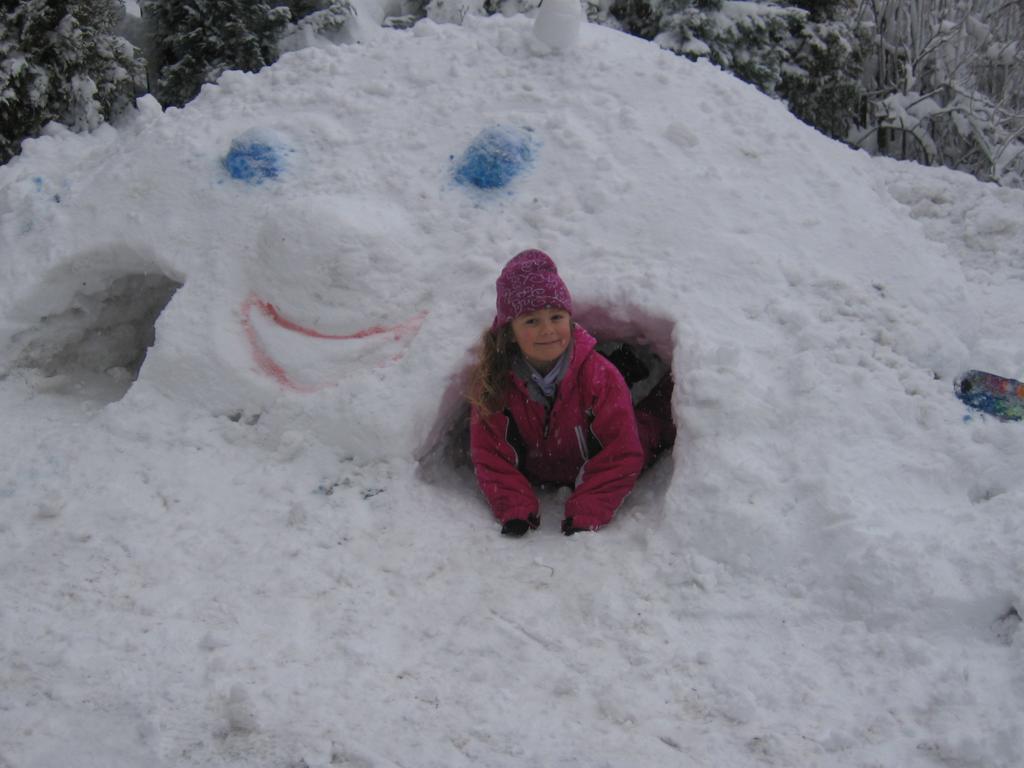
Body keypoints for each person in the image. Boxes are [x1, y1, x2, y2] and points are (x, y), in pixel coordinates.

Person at [468, 249, 674, 537]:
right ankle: (627, 364)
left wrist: (588, 508)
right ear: (509, 330)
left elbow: (622, 453)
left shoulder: (600, 378)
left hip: (593, 437)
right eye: (531, 320)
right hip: (546, 460)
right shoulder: (495, 384)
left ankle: (654, 379)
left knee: (647, 427)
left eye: (556, 316)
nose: (547, 330)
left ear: (570, 318)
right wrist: (514, 507)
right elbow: (490, 457)